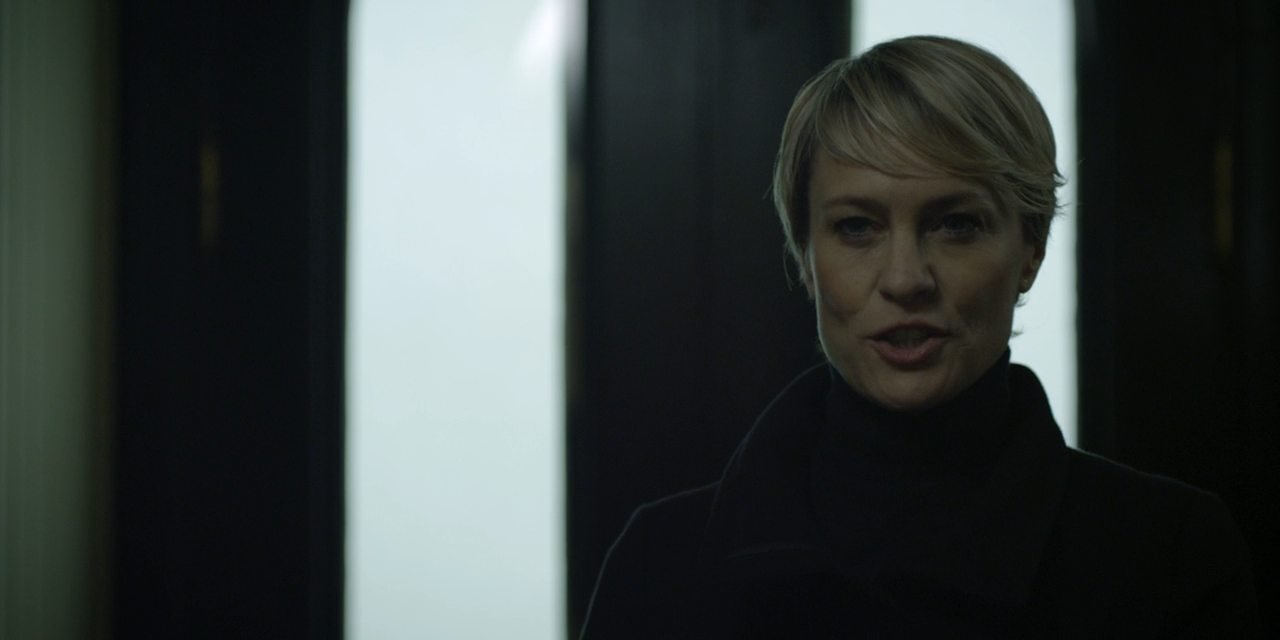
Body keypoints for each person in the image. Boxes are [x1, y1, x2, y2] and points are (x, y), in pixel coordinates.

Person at [579, 36, 1261, 638]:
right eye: (857, 227)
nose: (906, 279)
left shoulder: (1167, 555)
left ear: (1030, 250)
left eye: (956, 224)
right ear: (805, 258)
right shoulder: (661, 566)